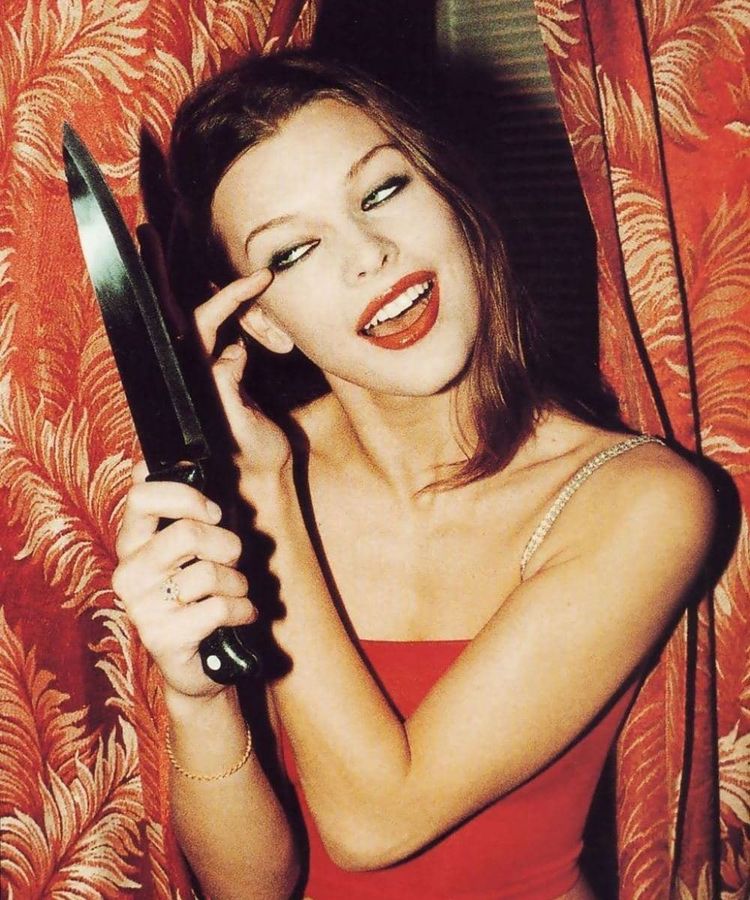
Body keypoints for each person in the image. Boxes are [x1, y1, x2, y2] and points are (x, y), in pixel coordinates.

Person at [112, 53, 716, 900]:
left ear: (455, 201)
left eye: (382, 190)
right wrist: (196, 697)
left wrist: (265, 500)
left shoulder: (642, 500)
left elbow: (374, 824)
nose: (369, 255)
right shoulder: (255, 476)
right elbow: (250, 888)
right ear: (263, 322)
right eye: (293, 250)